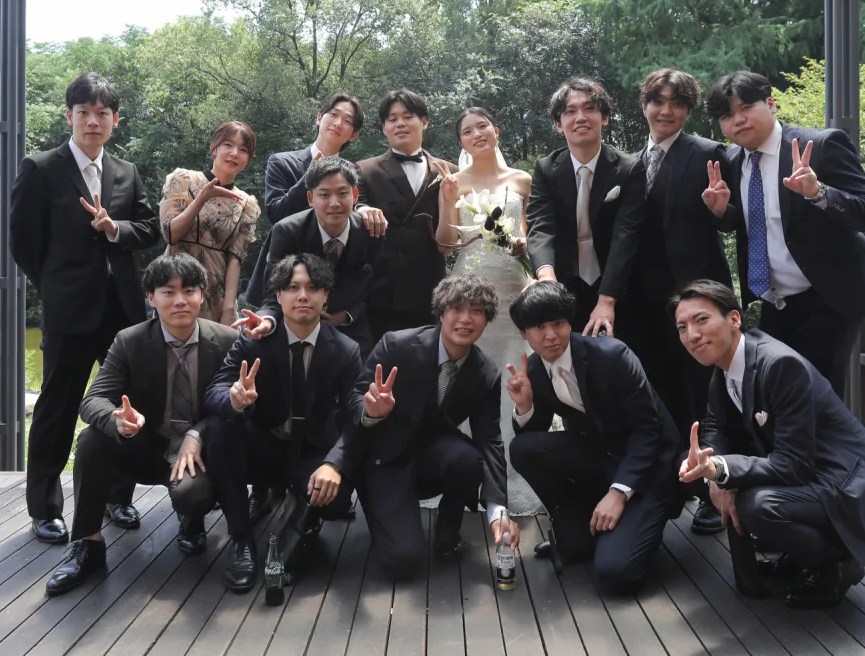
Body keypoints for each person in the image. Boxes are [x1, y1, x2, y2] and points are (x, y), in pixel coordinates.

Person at [673, 279, 865, 608]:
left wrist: (720, 469)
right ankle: (802, 556)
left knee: (758, 506)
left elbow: (794, 464)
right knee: (691, 471)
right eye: (682, 327)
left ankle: (838, 562)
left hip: (845, 481)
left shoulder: (779, 365)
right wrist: (714, 474)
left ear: (734, 319)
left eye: (701, 320)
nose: (692, 334)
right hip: (809, 473)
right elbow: (716, 426)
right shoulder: (725, 366)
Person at [10, 72, 160, 544]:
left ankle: (118, 497)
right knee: (56, 407)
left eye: (102, 113)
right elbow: (23, 244)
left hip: (123, 311)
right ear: (69, 116)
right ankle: (45, 509)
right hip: (70, 312)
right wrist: (56, 288)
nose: (93, 121)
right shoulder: (41, 168)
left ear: (115, 120)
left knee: (126, 404)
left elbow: (150, 229)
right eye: (84, 113)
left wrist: (115, 229)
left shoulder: (126, 171)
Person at [44, 254, 239, 595]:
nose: (180, 301)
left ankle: (192, 519)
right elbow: (92, 400)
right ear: (151, 297)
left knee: (193, 497)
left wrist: (198, 433)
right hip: (146, 446)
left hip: (198, 454)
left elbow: (232, 409)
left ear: (202, 294)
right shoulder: (129, 340)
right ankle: (87, 544)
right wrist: (118, 420)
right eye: (168, 292)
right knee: (91, 440)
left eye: (189, 291)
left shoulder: (226, 341)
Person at [597, 68, 733, 535]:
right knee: (657, 396)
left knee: (706, 395)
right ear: (644, 106)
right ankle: (667, 486)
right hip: (642, 306)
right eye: (658, 101)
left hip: (695, 301)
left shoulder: (710, 154)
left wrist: (721, 211)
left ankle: (713, 491)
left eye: (677, 103)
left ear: (689, 111)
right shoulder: (631, 163)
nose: (666, 110)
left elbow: (736, 218)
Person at [702, 71, 865, 398]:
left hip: (830, 294)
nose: (738, 120)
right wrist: (720, 212)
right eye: (727, 116)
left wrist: (818, 193)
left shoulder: (821, 146)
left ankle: (830, 433)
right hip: (775, 300)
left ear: (771, 104)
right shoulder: (731, 161)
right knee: (777, 390)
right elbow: (752, 223)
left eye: (746, 108)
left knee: (819, 395)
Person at [504, 281, 685, 592]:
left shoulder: (612, 355)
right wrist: (525, 406)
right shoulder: (533, 370)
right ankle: (576, 524)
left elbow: (649, 431)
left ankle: (633, 521)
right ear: (524, 333)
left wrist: (619, 492)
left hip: (648, 467)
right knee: (523, 448)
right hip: (601, 457)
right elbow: (534, 442)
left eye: (558, 323)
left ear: (569, 322)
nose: (551, 335)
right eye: (539, 327)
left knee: (616, 572)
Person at [203, 254, 365, 593]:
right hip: (262, 446)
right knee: (221, 426)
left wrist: (335, 464)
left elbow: (354, 416)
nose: (303, 295)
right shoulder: (253, 341)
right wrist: (234, 398)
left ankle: (303, 516)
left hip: (310, 450)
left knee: (336, 501)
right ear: (278, 296)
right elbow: (215, 390)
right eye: (293, 288)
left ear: (325, 296)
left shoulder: (345, 350)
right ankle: (241, 540)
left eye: (313, 287)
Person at [354, 274, 516, 579]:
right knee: (403, 562)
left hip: (431, 456)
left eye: (477, 311)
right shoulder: (397, 345)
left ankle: (447, 531)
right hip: (384, 460)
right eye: (456, 308)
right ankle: (383, 511)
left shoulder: (486, 373)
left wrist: (498, 511)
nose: (466, 319)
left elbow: (490, 440)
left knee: (468, 459)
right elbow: (356, 396)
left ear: (487, 319)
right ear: (441, 313)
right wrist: (371, 412)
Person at [433, 108, 537, 513]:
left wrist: (521, 243)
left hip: (514, 286)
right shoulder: (454, 183)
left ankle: (514, 474)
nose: (477, 134)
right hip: (471, 287)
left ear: (496, 130)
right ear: (460, 142)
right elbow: (445, 244)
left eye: (482, 127)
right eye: (467, 131)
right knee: (467, 370)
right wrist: (447, 202)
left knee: (514, 369)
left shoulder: (522, 180)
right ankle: (464, 474)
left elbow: (528, 231)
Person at [244, 93, 383, 308]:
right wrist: (310, 174)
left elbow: (357, 210)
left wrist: (363, 209)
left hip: (334, 288)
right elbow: (277, 214)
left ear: (354, 134)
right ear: (319, 117)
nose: (338, 123)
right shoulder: (282, 162)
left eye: (347, 121)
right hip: (284, 277)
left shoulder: (353, 172)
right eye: (333, 115)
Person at [526, 78, 640, 332]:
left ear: (605, 117)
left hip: (617, 287)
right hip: (562, 285)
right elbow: (541, 225)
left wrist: (607, 300)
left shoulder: (628, 169)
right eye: (570, 111)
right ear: (558, 124)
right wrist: (546, 277)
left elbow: (626, 235)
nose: (580, 118)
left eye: (590, 108)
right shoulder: (546, 169)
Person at [245, 156, 378, 354]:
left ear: (355, 195)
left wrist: (345, 315)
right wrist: (267, 319)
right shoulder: (288, 231)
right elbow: (274, 289)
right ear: (310, 199)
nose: (334, 203)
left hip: (350, 324)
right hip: (294, 320)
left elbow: (374, 285)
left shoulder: (371, 231)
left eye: (343, 193)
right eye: (324, 195)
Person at [355, 89, 458, 342]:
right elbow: (352, 208)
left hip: (431, 292)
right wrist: (361, 210)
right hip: (381, 294)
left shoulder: (449, 172)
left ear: (425, 122)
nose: (400, 124)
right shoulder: (365, 170)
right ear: (384, 128)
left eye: (408, 116)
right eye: (392, 119)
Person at [160, 121, 263, 325]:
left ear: (248, 160)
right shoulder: (183, 179)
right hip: (175, 283)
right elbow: (170, 234)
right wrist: (202, 198)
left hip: (216, 292)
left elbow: (235, 259)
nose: (234, 153)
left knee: (216, 344)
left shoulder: (247, 204)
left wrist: (228, 308)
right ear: (214, 147)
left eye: (243, 150)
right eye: (228, 145)